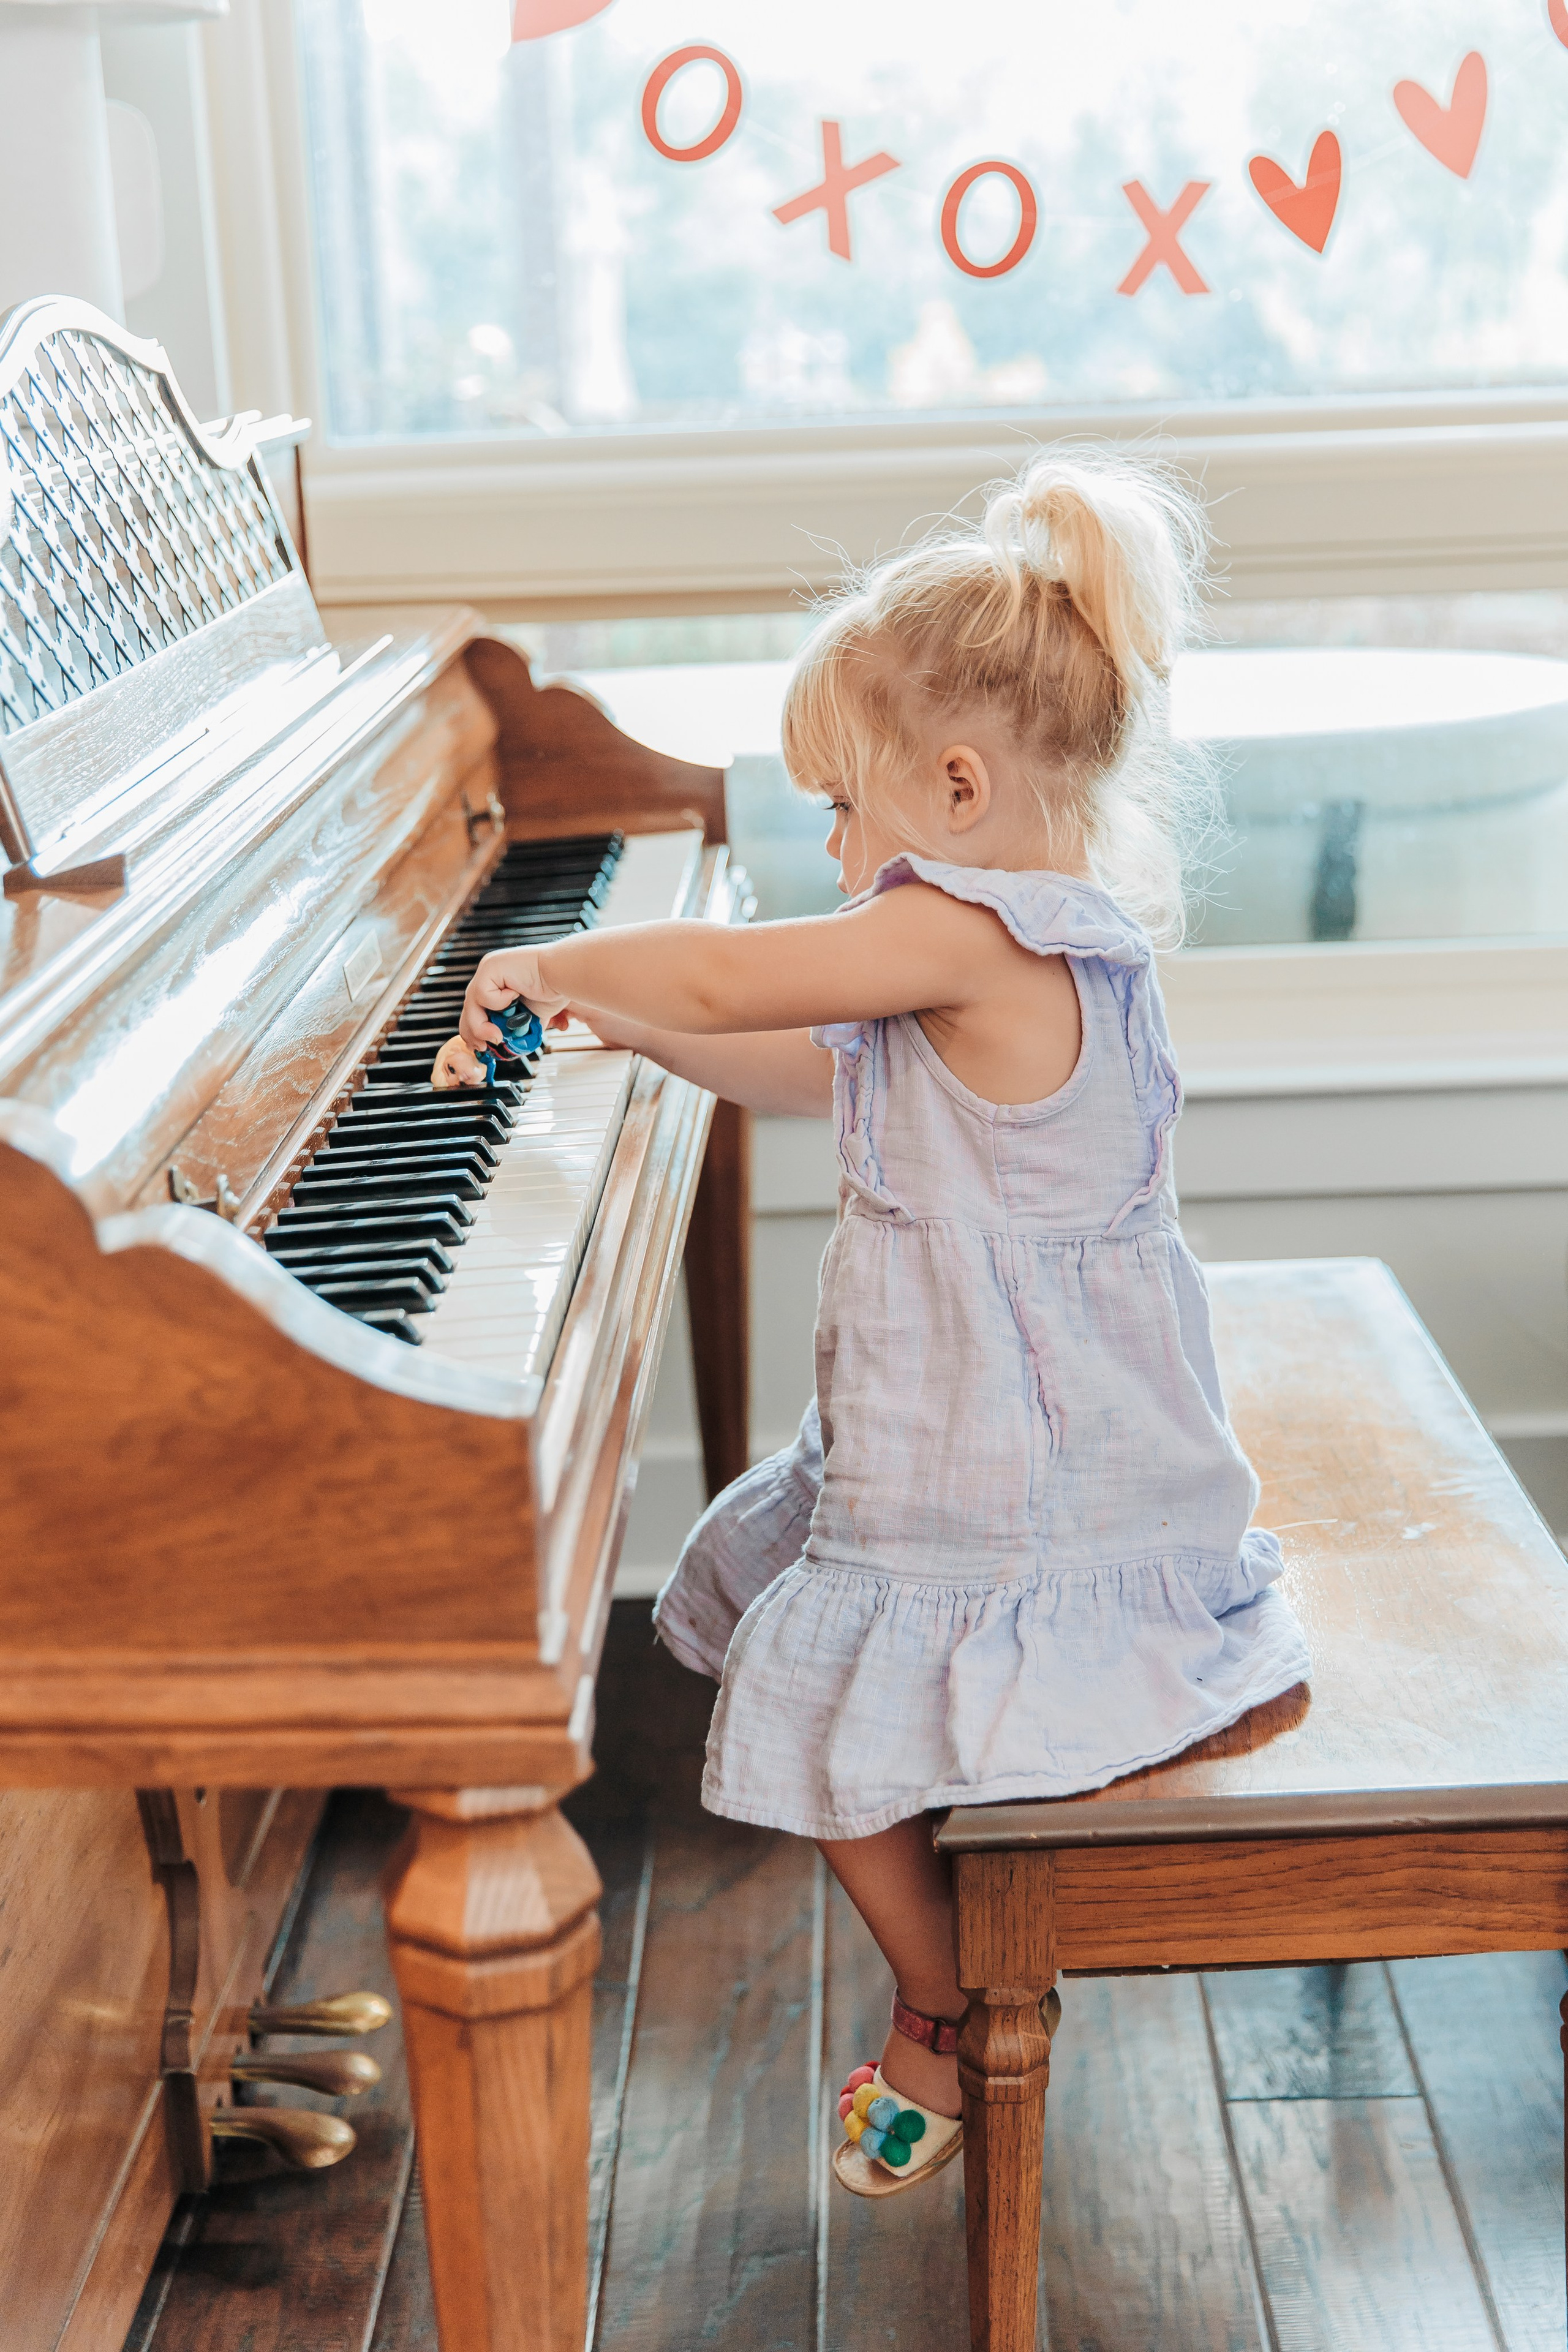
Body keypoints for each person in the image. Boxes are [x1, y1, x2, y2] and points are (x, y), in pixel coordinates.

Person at [432, 448, 1311, 2197]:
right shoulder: (996, 951)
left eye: (843, 810)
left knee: (826, 1724)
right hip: (994, 1450)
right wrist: (633, 1037)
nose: (832, 849)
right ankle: (953, 1963)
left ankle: (942, 1998)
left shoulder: (982, 938)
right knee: (801, 1635)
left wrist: (563, 970)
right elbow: (779, 1051)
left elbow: (738, 972)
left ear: (962, 787)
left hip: (1022, 1491)